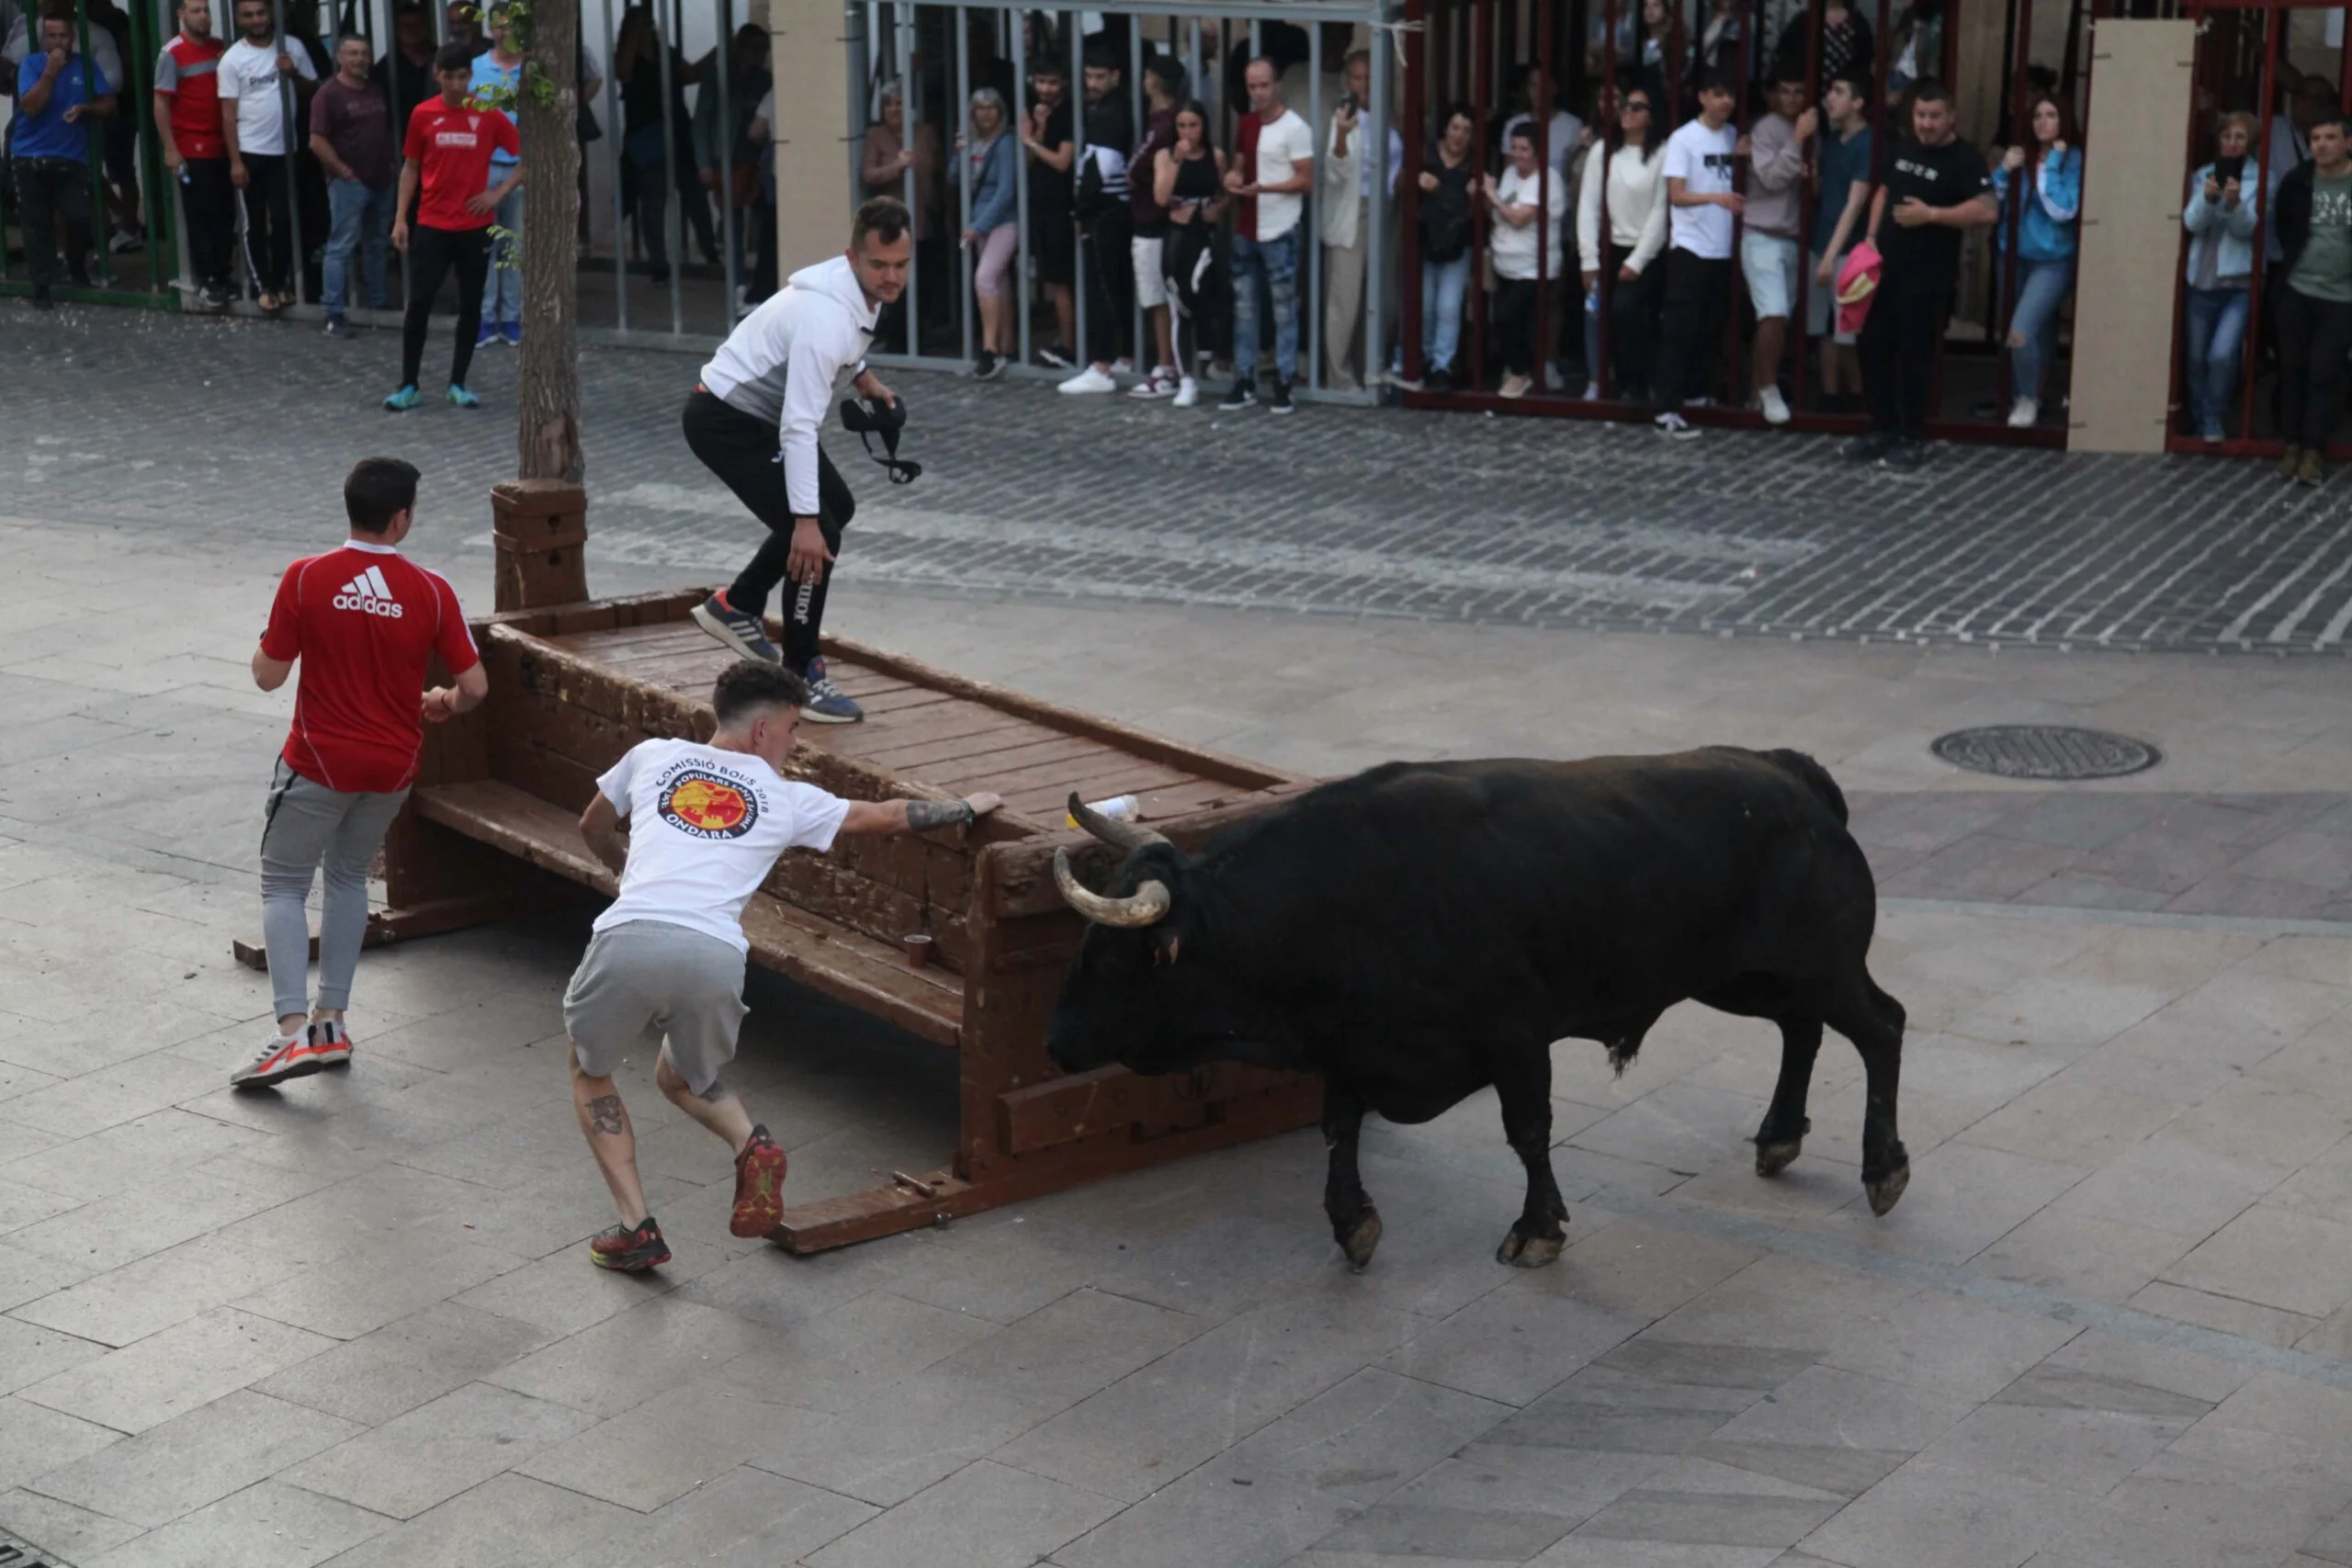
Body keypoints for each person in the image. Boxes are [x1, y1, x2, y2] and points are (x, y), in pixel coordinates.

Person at [563, 660, 1004, 1271]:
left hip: (630, 934)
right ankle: (750, 1142)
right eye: (795, 728)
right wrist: (963, 807)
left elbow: (593, 823)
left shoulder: (653, 754)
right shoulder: (787, 797)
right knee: (685, 1078)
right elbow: (883, 817)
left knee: (590, 1069)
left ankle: (637, 1227)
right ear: (763, 729)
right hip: (714, 951)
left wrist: (623, 869)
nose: (797, 742)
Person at [235, 457, 487, 1089]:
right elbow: (475, 686)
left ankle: (291, 1032)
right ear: (401, 519)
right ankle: (332, 1022)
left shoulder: (306, 577)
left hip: (317, 761)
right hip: (393, 765)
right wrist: (444, 703)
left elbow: (268, 675)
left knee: (284, 884)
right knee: (348, 877)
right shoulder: (432, 590)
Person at [683, 198, 910, 724]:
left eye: (901, 264)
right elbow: (800, 426)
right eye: (879, 265)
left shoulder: (851, 293)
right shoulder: (825, 316)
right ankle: (801, 674)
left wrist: (862, 376)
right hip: (726, 423)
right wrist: (804, 523)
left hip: (751, 417)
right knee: (819, 532)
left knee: (839, 508)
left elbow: (846, 343)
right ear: (852, 258)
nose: (891, 276)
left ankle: (737, 605)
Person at [1845, 78, 1995, 470]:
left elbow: (1987, 210)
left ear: (1951, 118)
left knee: (1915, 356)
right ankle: (1881, 427)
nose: (1926, 124)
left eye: (1934, 117)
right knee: (1873, 347)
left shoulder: (1966, 160)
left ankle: (1911, 436)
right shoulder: (1904, 146)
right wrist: (1872, 238)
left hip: (1927, 276)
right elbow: (1883, 191)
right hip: (1884, 270)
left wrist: (1933, 215)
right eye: (1920, 116)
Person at [385, 40, 522, 411]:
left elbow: (528, 154)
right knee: (419, 303)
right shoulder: (422, 115)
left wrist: (499, 193)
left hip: (475, 225)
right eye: (450, 77)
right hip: (431, 222)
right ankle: (409, 384)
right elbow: (411, 167)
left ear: (471, 76)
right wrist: (401, 218)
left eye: (463, 77)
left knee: (472, 303)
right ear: (437, 76)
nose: (457, 85)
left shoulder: (489, 114)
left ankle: (458, 382)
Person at [1651, 72, 1743, 439]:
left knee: (1710, 326)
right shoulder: (1683, 139)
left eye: (1730, 95)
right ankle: (1666, 409)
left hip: (1722, 248)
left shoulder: (1734, 136)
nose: (1725, 102)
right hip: (1691, 246)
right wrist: (1717, 199)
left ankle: (1696, 394)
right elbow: (1677, 194)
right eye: (1718, 94)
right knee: (1679, 329)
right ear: (1703, 97)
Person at [1220, 56, 1314, 412]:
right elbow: (1239, 166)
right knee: (1245, 308)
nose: (1258, 93)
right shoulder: (1246, 124)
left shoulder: (1295, 128)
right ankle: (1245, 379)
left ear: (1277, 86)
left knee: (1283, 310)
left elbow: (1306, 180)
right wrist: (1233, 179)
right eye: (1252, 86)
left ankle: (1284, 381)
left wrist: (1266, 188)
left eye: (1263, 85)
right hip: (1247, 226)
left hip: (1280, 227)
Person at [1989, 89, 2080, 428]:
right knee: (2037, 332)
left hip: (2052, 261)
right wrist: (2003, 169)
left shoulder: (2072, 160)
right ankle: (2032, 397)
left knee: (2021, 332)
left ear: (2064, 120)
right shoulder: (2020, 156)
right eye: (2038, 116)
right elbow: (1991, 200)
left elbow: (2063, 209)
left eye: (2052, 115)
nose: (2043, 122)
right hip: (2013, 256)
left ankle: (2026, 398)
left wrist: (2051, 165)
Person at [219, 0, 317, 312]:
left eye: (261, 13)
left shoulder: (293, 47)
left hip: (286, 150)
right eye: (248, 15)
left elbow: (313, 91)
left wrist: (293, 73)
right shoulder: (233, 59)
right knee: (255, 223)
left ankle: (282, 282)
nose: (256, 20)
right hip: (251, 150)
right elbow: (227, 114)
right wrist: (235, 161)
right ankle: (263, 285)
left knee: (286, 219)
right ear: (237, 18)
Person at [13, 10, 115, 309]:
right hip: (30, 155)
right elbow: (31, 107)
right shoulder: (31, 65)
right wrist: (50, 73)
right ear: (45, 37)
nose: (58, 42)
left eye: (64, 36)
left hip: (72, 155)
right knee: (36, 224)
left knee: (79, 217)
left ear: (73, 38)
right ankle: (42, 285)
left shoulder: (85, 65)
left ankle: (76, 265)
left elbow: (109, 103)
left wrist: (86, 109)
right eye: (52, 36)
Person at [2273, 107, 2352, 487]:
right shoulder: (2298, 181)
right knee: (2292, 369)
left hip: (2342, 296)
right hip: (2298, 290)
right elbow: (2283, 225)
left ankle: (2314, 451)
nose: (2320, 145)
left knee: (2324, 373)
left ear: (2348, 143)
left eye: (2329, 138)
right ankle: (2291, 445)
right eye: (2315, 139)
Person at [1577, 85, 1668, 401]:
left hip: (1648, 251)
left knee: (1627, 310)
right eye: (1624, 105)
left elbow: (1661, 209)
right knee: (1600, 315)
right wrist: (1588, 259)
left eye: (1637, 107)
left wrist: (1638, 260)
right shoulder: (1601, 152)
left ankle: (1636, 384)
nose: (1627, 111)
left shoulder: (1663, 153)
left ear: (1651, 116)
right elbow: (1588, 206)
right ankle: (1606, 379)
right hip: (1610, 248)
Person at [1321, 49, 1402, 391]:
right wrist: (1341, 133)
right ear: (1347, 81)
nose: (1364, 84)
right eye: (1357, 77)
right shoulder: (1343, 118)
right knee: (1346, 297)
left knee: (1385, 297)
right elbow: (1336, 167)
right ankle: (1339, 377)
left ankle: (1371, 367)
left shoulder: (1391, 117)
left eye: (1370, 77)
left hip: (1388, 210)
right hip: (1355, 210)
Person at [1060, 40, 1136, 394]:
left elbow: (1100, 168)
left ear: (1116, 77)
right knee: (1116, 287)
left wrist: (1080, 209)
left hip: (1105, 212)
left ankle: (1102, 366)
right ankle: (1122, 356)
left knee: (1103, 291)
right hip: (1112, 211)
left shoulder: (1110, 113)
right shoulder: (1110, 108)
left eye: (1099, 77)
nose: (1092, 83)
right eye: (1088, 76)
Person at [2180, 111, 2259, 444]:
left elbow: (2248, 229)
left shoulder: (2261, 178)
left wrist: (2233, 204)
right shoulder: (2202, 175)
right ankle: (2199, 418)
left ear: (2250, 143)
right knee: (2196, 358)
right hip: (2201, 279)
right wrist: (2208, 199)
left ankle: (2213, 418)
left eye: (2240, 137)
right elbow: (2191, 224)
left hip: (2237, 283)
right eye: (2226, 136)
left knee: (2222, 355)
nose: (2232, 144)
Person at [310, 32, 393, 338]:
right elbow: (316, 140)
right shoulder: (328, 94)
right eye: (353, 53)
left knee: (376, 244)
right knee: (341, 246)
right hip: (349, 182)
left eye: (364, 53)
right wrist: (342, 170)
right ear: (339, 57)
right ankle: (333, 312)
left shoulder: (375, 89)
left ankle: (378, 304)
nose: (360, 59)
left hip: (381, 179)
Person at [1743, 72, 1813, 424]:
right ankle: (1769, 390)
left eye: (1798, 90)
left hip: (1794, 236)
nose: (1791, 98)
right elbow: (1770, 178)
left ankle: (1757, 390)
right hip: (1762, 232)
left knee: (1776, 320)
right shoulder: (1766, 130)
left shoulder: (1813, 131)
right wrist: (1797, 140)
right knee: (1773, 314)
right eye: (1784, 90)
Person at [155, 0, 233, 310]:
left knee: (226, 214)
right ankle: (208, 279)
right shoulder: (171, 53)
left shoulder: (220, 48)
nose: (204, 16)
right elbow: (160, 103)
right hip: (192, 147)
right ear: (181, 15)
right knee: (201, 215)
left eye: (207, 10)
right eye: (197, 10)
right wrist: (171, 149)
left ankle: (223, 275)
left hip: (223, 144)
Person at [1483, 123, 1568, 398]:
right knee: (1514, 321)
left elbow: (1519, 219)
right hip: (1506, 265)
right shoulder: (1509, 174)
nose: (1517, 155)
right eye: (1514, 148)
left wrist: (1492, 195)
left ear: (1538, 152)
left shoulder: (1548, 180)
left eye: (1524, 149)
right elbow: (1499, 212)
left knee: (1508, 317)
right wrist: (1487, 197)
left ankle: (1521, 374)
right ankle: (1520, 368)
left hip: (1534, 267)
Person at [857, 76, 941, 352]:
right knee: (895, 283)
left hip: (924, 218)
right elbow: (869, 175)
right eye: (888, 104)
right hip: (891, 225)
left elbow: (940, 171)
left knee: (925, 281)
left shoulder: (925, 132)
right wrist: (897, 166)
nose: (894, 109)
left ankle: (921, 336)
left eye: (900, 103)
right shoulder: (875, 136)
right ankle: (898, 340)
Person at [1808, 73, 1873, 412]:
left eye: (1839, 91)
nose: (1828, 98)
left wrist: (1830, 257)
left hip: (1847, 250)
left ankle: (1861, 394)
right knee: (1823, 327)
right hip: (1821, 243)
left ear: (1858, 102)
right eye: (1828, 90)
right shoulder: (1831, 141)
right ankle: (1830, 395)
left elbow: (1855, 203)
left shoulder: (1868, 143)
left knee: (1847, 329)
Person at [1155, 96, 1227, 406]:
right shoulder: (1165, 155)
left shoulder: (1216, 156)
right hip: (1178, 236)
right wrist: (1176, 160)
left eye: (1193, 125)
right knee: (1180, 307)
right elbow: (1161, 196)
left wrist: (1216, 209)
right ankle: (1186, 378)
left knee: (1209, 301)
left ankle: (1214, 359)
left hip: (1206, 236)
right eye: (1181, 126)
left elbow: (1225, 193)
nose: (1187, 132)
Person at [1124, 53, 1182, 399]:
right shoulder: (1161, 121)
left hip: (1153, 221)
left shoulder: (1164, 125)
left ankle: (1166, 367)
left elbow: (1134, 169)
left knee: (1158, 297)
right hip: (1155, 219)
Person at [466, 2, 524, 345]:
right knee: (484, 249)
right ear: (490, 29)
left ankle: (513, 317)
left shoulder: (531, 69)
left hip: (521, 167)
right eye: (499, 26)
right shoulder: (474, 69)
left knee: (516, 248)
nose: (505, 32)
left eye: (511, 25)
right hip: (483, 166)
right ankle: (485, 318)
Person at [1411, 103, 1478, 392]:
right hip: (1425, 241)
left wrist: (1475, 196)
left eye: (1466, 130)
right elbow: (1401, 186)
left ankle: (1442, 365)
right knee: (1425, 306)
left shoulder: (1474, 165)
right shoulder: (1425, 155)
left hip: (1457, 245)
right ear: (1445, 129)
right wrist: (1414, 181)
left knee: (1448, 307)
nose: (1459, 135)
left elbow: (1476, 209)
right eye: (1455, 127)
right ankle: (1425, 357)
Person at [954, 86, 1018, 379]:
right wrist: (960, 153)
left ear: (1001, 112)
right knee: (999, 281)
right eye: (980, 108)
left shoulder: (1005, 144)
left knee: (985, 277)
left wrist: (977, 228)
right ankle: (1007, 345)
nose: (986, 113)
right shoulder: (974, 142)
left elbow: (1006, 191)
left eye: (992, 107)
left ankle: (990, 349)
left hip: (1003, 220)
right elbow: (954, 178)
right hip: (980, 219)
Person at [1018, 58, 1077, 367]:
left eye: (1052, 83)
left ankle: (1069, 345)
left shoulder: (1068, 114)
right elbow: (1030, 162)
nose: (1045, 89)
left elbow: (1062, 161)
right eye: (1040, 82)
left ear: (1063, 84)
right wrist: (1038, 131)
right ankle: (1064, 340)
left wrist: (1029, 140)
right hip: (1041, 206)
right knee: (1053, 280)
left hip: (1061, 208)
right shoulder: (1036, 112)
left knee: (1061, 280)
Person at [1770, 0, 1872, 93]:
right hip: (1808, 95)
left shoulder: (1859, 24)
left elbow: (1865, 65)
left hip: (1845, 99)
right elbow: (1786, 60)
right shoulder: (1803, 21)